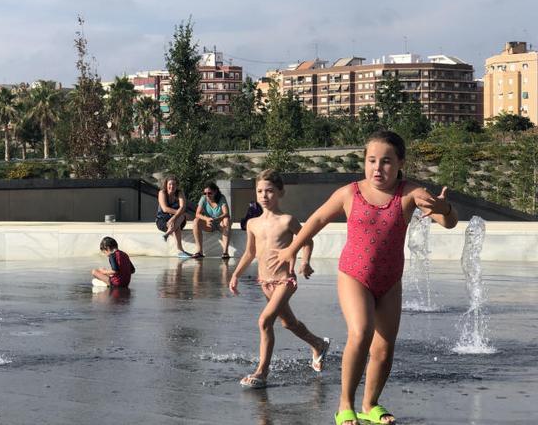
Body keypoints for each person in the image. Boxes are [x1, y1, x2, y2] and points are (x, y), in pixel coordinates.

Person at [273, 130, 458, 425]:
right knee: (361, 332)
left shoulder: (410, 193)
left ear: (400, 164)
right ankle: (345, 404)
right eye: (371, 160)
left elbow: (449, 223)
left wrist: (444, 208)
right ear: (364, 162)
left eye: (386, 161)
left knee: (384, 348)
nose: (377, 167)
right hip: (354, 275)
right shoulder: (350, 193)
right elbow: (319, 218)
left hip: (389, 282)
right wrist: (292, 249)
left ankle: (370, 404)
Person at [228, 169, 330, 389]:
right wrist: (235, 274)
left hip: (285, 281)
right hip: (265, 282)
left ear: (280, 193)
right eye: (260, 191)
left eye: (270, 191)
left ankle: (262, 372)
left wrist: (305, 262)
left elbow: (307, 241)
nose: (264, 196)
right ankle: (318, 344)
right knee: (288, 323)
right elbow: (249, 253)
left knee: (265, 321)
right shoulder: (252, 223)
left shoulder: (287, 221)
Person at [192, 182, 231, 259]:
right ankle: (199, 251)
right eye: (205, 193)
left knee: (226, 220)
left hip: (220, 223)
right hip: (209, 224)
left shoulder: (221, 198)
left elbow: (226, 213)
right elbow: (197, 214)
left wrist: (216, 219)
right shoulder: (203, 198)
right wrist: (206, 219)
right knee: (196, 221)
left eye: (209, 193)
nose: (207, 195)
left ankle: (225, 252)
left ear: (215, 191)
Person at [156, 175, 189, 259]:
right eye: (170, 184)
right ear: (166, 184)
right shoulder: (162, 193)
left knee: (179, 218)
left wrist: (174, 217)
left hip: (177, 220)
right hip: (162, 220)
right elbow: (165, 209)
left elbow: (182, 207)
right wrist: (179, 214)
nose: (172, 186)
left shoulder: (180, 193)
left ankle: (167, 234)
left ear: (177, 185)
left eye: (174, 184)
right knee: (178, 221)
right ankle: (180, 250)